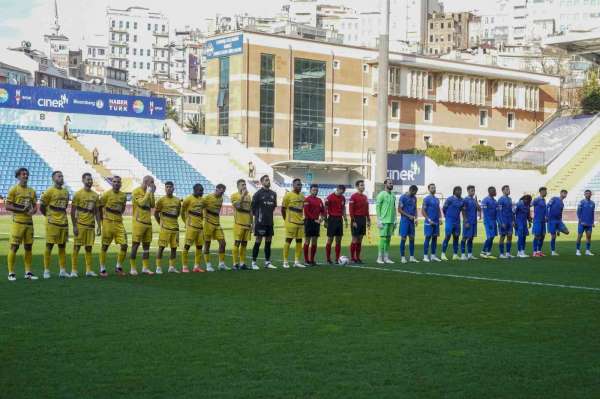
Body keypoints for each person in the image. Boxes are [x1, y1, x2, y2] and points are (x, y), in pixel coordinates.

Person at [6, 168, 38, 281]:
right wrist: (21, 210)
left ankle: (28, 272)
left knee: (28, 247)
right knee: (14, 247)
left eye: (26, 174)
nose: (26, 176)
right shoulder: (14, 190)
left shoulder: (32, 191)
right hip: (18, 223)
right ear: (18, 176)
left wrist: (33, 211)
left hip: (29, 223)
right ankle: (11, 273)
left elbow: (35, 206)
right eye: (23, 174)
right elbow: (8, 206)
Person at [40, 171, 70, 279]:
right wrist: (48, 216)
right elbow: (42, 206)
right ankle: (46, 271)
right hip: (52, 223)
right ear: (53, 179)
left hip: (63, 223)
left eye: (62, 176)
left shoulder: (66, 192)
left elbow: (65, 206)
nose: (61, 178)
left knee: (62, 246)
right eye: (59, 176)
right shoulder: (49, 191)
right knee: (49, 245)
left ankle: (62, 271)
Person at [71, 173, 101, 277]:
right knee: (76, 247)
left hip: (91, 226)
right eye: (88, 179)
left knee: (89, 248)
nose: (90, 181)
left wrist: (99, 226)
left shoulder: (95, 195)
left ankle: (88, 270)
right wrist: (74, 226)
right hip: (80, 225)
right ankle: (74, 270)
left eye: (91, 179)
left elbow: (97, 212)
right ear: (83, 180)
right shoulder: (78, 194)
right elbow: (72, 211)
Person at [98, 176, 128, 276]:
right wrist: (102, 221)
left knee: (124, 245)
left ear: (121, 184)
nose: (116, 183)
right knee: (105, 246)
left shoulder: (123, 196)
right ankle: (102, 269)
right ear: (112, 183)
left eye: (118, 182)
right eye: (114, 182)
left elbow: (123, 208)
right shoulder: (106, 194)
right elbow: (99, 207)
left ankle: (118, 267)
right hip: (108, 223)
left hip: (119, 223)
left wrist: (117, 214)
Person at [130, 176, 156, 275]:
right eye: (151, 182)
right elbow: (141, 203)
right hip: (138, 222)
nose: (153, 184)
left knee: (146, 246)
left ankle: (145, 268)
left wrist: (152, 193)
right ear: (145, 182)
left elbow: (152, 205)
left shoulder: (149, 192)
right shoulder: (136, 191)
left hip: (148, 222)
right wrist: (149, 191)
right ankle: (132, 268)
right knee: (135, 245)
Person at [251, 175, 277, 270]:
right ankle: (253, 262)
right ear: (262, 182)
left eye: (268, 180)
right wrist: (256, 219)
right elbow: (253, 209)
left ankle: (267, 262)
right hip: (260, 222)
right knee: (258, 241)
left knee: (268, 242)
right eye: (266, 180)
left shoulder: (273, 194)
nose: (268, 181)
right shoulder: (257, 194)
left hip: (270, 222)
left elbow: (273, 207)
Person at [154, 182, 181, 274]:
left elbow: (178, 213)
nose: (169, 188)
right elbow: (155, 213)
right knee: (161, 248)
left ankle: (171, 267)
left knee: (174, 248)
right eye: (167, 187)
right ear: (165, 189)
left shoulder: (177, 200)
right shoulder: (161, 200)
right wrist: (160, 223)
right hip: (165, 228)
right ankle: (158, 267)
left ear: (174, 188)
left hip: (175, 228)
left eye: (170, 187)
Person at [203, 184, 228, 271]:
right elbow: (201, 207)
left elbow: (217, 211)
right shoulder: (208, 197)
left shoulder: (221, 199)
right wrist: (204, 217)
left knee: (223, 243)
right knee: (207, 244)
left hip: (217, 224)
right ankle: (208, 265)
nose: (222, 193)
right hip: (208, 224)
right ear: (216, 189)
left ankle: (221, 264)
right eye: (221, 191)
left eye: (223, 192)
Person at [181, 184, 206, 273]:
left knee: (199, 247)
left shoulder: (202, 200)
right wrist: (185, 222)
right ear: (195, 190)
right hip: (191, 227)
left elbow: (202, 212)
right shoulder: (188, 199)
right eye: (200, 190)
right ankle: (184, 266)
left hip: (200, 228)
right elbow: (182, 212)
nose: (202, 192)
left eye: (202, 190)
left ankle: (197, 266)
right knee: (187, 246)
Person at [281, 178, 306, 268]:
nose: (299, 186)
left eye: (300, 185)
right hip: (291, 222)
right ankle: (285, 261)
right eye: (298, 184)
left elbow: (303, 209)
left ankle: (297, 262)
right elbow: (283, 209)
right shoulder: (288, 195)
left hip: (300, 223)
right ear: (293, 185)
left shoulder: (302, 197)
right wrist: (286, 219)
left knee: (299, 241)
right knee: (288, 240)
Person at [231, 179, 253, 270]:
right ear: (238, 186)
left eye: (245, 184)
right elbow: (238, 207)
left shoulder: (249, 196)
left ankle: (242, 263)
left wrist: (252, 223)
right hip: (239, 224)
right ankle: (235, 264)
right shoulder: (234, 196)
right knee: (237, 243)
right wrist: (243, 196)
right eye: (242, 185)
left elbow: (250, 211)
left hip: (247, 224)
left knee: (244, 244)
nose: (244, 186)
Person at [325, 185, 348, 264]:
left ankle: (337, 259)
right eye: (341, 191)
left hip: (339, 220)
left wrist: (345, 219)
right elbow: (325, 209)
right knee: (330, 240)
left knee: (338, 240)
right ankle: (328, 259)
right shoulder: (330, 197)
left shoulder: (343, 198)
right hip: (331, 219)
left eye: (343, 192)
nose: (342, 193)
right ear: (338, 189)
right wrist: (325, 220)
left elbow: (343, 208)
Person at [349, 180, 370, 264]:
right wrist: (353, 220)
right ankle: (352, 258)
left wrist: (368, 219)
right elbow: (351, 210)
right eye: (361, 185)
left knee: (360, 239)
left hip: (363, 219)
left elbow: (366, 210)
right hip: (356, 219)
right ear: (357, 187)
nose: (363, 187)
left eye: (363, 185)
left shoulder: (365, 197)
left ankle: (357, 257)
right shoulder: (353, 197)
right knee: (354, 239)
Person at [303, 184, 325, 266]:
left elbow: (323, 211)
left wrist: (322, 219)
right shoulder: (307, 199)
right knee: (307, 241)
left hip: (316, 223)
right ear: (310, 190)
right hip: (309, 222)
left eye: (316, 190)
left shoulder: (319, 200)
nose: (315, 191)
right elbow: (306, 212)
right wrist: (314, 219)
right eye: (313, 190)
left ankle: (312, 260)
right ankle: (306, 260)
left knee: (314, 241)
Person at [376, 178, 396, 264]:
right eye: (389, 183)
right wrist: (379, 219)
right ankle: (379, 258)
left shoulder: (393, 195)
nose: (391, 184)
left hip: (391, 220)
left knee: (388, 239)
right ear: (385, 184)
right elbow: (378, 207)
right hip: (383, 220)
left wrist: (395, 219)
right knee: (383, 239)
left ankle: (386, 257)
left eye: (392, 183)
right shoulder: (381, 194)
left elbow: (394, 207)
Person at [441, 186, 464, 261]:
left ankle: (455, 254)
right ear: (454, 191)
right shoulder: (450, 199)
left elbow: (461, 209)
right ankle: (443, 254)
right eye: (458, 190)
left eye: (460, 190)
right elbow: (444, 208)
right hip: (450, 220)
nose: (460, 192)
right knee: (447, 236)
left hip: (457, 221)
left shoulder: (462, 200)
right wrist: (447, 216)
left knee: (456, 237)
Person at [398, 185, 419, 264]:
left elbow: (415, 209)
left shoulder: (414, 198)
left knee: (412, 239)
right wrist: (408, 216)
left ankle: (412, 257)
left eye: (416, 193)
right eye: (414, 192)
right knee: (403, 238)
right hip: (405, 221)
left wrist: (416, 218)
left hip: (411, 222)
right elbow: (399, 210)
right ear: (410, 190)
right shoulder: (402, 197)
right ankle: (403, 257)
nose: (415, 194)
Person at [422, 183, 442, 262]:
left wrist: (440, 218)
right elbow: (423, 211)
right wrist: (428, 219)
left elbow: (438, 210)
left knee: (435, 238)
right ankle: (425, 256)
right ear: (429, 189)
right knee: (428, 238)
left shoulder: (437, 199)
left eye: (434, 187)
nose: (434, 189)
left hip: (436, 222)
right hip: (429, 222)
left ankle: (433, 256)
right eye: (432, 188)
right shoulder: (426, 199)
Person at [460, 185, 481, 260]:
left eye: (474, 190)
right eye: (472, 190)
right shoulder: (465, 200)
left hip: (474, 222)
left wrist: (476, 202)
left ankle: (469, 254)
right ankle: (462, 255)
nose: (473, 192)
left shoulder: (474, 200)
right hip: (468, 222)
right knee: (464, 237)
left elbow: (479, 209)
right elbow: (463, 211)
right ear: (468, 191)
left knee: (471, 238)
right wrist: (466, 221)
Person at [547, 189, 570, 256]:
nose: (565, 195)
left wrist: (560, 222)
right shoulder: (554, 198)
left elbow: (560, 213)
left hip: (559, 221)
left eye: (566, 194)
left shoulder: (562, 204)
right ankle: (553, 251)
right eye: (564, 193)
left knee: (567, 232)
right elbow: (548, 206)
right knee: (553, 236)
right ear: (560, 193)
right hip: (552, 220)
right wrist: (547, 216)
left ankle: (557, 229)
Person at [480, 186, 498, 259]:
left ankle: (488, 252)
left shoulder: (495, 201)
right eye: (493, 191)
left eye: (495, 190)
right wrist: (488, 222)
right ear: (489, 192)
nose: (495, 192)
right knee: (490, 236)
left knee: (492, 237)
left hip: (493, 221)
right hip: (488, 221)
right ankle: (483, 252)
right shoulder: (485, 200)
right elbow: (485, 212)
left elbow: (497, 211)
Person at [497, 185, 515, 259]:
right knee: (502, 236)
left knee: (510, 236)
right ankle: (501, 254)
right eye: (507, 189)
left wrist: (513, 220)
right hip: (503, 221)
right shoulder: (501, 200)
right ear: (503, 191)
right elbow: (499, 212)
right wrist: (501, 222)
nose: (508, 190)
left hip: (510, 221)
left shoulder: (510, 199)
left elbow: (511, 211)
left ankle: (508, 253)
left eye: (509, 189)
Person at [576, 190, 595, 256]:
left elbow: (592, 213)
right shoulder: (581, 202)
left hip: (589, 223)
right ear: (584, 194)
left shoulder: (593, 203)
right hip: (582, 223)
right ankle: (578, 250)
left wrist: (592, 222)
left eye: (589, 193)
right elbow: (578, 212)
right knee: (579, 236)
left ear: (591, 194)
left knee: (589, 236)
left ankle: (587, 251)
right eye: (586, 193)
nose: (588, 194)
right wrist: (581, 221)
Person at [531, 187, 548, 257]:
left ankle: (539, 251)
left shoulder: (544, 200)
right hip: (537, 220)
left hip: (543, 221)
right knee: (537, 235)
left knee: (543, 236)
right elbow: (530, 205)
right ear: (541, 192)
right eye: (545, 191)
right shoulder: (537, 199)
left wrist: (546, 217)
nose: (546, 193)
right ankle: (534, 252)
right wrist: (529, 215)